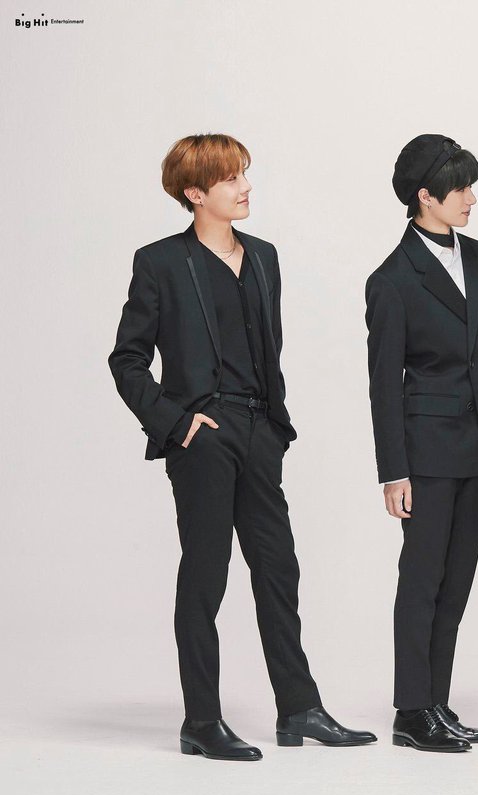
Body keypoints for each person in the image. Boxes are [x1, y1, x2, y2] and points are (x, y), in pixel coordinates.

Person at [109, 133, 375, 761]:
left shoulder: (263, 257)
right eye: (230, 179)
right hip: (203, 435)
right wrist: (176, 423)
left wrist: (274, 430)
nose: (245, 187)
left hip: (260, 429)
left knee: (279, 568)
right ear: (195, 193)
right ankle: (201, 721)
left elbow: (266, 350)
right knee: (207, 574)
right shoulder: (161, 262)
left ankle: (299, 708)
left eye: (243, 174)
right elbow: (126, 360)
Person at [365, 134, 478, 753]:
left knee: (457, 581)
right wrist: (393, 471)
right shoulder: (392, 279)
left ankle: (438, 704)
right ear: (425, 196)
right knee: (422, 580)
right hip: (425, 451)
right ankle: (411, 710)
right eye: (461, 189)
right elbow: (383, 384)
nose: (472, 199)